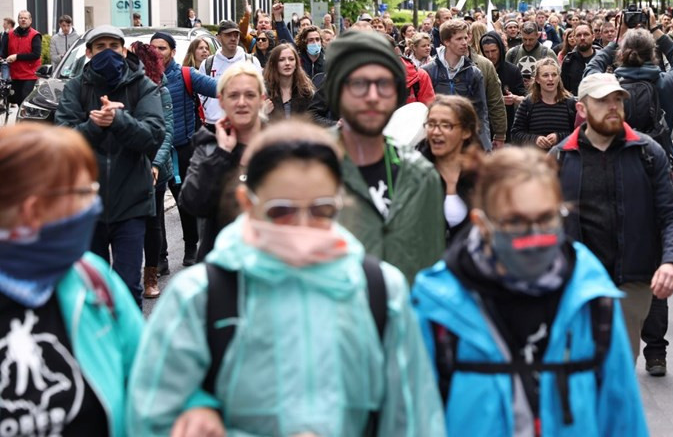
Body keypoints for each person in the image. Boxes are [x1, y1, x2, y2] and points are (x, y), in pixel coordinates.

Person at [129, 121, 445, 436]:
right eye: (282, 210)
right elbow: (151, 415)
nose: (303, 225)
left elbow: (414, 418)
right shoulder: (199, 296)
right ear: (248, 205)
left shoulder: (381, 292)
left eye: (321, 210)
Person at [412, 147, 649, 437]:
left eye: (547, 218)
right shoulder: (437, 306)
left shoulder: (592, 298)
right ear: (482, 225)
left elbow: (622, 418)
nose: (535, 236)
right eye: (515, 222)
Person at [0, 124, 147, 436]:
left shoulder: (92, 278)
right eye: (84, 193)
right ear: (33, 210)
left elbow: (154, 384)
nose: (94, 206)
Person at [551, 73, 673, 374]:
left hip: (632, 284)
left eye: (618, 100)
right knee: (577, 374)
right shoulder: (560, 159)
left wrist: (671, 262)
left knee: (617, 373)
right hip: (576, 286)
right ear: (582, 109)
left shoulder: (647, 152)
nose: (613, 106)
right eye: (602, 101)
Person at [54, 25, 166, 305]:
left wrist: (118, 120)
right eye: (100, 47)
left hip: (131, 202)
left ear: (124, 49)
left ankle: (130, 346)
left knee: (127, 286)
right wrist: (93, 126)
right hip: (87, 204)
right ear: (89, 53)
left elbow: (153, 134)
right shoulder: (76, 87)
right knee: (93, 289)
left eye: (113, 46)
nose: (108, 52)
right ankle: (98, 345)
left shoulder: (143, 86)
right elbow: (63, 139)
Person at [321, 31, 445, 282]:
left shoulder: (421, 177)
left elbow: (428, 272)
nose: (373, 96)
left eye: (384, 84)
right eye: (358, 84)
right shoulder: (307, 169)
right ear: (337, 91)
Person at [179, 63, 265, 261]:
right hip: (221, 263)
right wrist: (222, 153)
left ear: (261, 100)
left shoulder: (280, 145)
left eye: (250, 95)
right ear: (222, 101)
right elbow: (193, 203)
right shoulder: (208, 147)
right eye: (233, 95)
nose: (242, 102)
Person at [149, 31, 218, 273]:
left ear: (173, 52)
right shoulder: (142, 78)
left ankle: (191, 247)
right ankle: (160, 258)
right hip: (153, 153)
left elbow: (219, 88)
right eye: (153, 48)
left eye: (162, 48)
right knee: (154, 209)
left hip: (183, 149)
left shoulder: (186, 75)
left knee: (185, 202)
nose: (157, 52)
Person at [583, 14, 673, 157]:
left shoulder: (609, 86)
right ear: (653, 54)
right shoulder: (667, 83)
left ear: (621, 54)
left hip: (619, 163)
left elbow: (591, 69)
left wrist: (617, 39)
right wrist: (655, 29)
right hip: (659, 163)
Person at [129, 41, 174, 300]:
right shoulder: (124, 89)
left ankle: (151, 275)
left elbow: (167, 132)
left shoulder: (161, 90)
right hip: (130, 167)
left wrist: (155, 164)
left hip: (156, 167)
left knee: (153, 222)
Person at [418, 96, 481, 244]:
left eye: (446, 125)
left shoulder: (481, 175)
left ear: (466, 132)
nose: (436, 132)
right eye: (431, 124)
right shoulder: (414, 173)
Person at [423, 19, 493, 151]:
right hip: (436, 139)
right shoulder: (428, 71)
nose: (465, 42)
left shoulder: (474, 73)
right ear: (446, 41)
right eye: (459, 38)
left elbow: (481, 113)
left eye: (466, 37)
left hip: (464, 141)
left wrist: (485, 146)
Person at [199, 20, 261, 128]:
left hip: (243, 124)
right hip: (214, 124)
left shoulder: (251, 61)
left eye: (236, 35)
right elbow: (201, 95)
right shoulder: (208, 64)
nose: (233, 38)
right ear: (218, 37)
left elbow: (259, 91)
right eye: (228, 35)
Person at [510, 57, 577, 149]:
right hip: (535, 159)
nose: (550, 79)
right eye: (545, 75)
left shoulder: (570, 103)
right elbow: (515, 134)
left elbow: (579, 133)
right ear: (537, 79)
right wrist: (535, 139)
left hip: (563, 159)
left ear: (559, 77)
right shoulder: (528, 103)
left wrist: (559, 137)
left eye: (554, 75)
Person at [480, 30, 526, 142]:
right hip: (484, 126)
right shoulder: (478, 70)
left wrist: (514, 98)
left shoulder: (512, 71)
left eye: (494, 51)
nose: (490, 56)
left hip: (508, 125)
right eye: (486, 52)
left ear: (500, 49)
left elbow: (524, 97)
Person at [262, 42, 315, 121]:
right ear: (274, 64)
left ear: (296, 63)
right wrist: (262, 113)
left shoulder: (306, 92)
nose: (287, 63)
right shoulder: (264, 92)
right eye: (281, 60)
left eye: (291, 59)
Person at [1, 10, 42, 106]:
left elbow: (36, 55)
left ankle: (26, 119)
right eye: (21, 18)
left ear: (30, 20)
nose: (23, 20)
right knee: (18, 99)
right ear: (18, 20)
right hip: (15, 73)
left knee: (24, 98)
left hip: (30, 74)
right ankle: (21, 120)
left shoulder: (35, 35)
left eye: (25, 18)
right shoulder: (9, 34)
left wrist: (17, 57)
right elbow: (4, 53)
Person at [560, 22, 597, 95]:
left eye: (586, 34)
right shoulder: (568, 61)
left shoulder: (602, 59)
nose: (582, 38)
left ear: (593, 37)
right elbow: (564, 90)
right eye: (579, 35)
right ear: (574, 38)